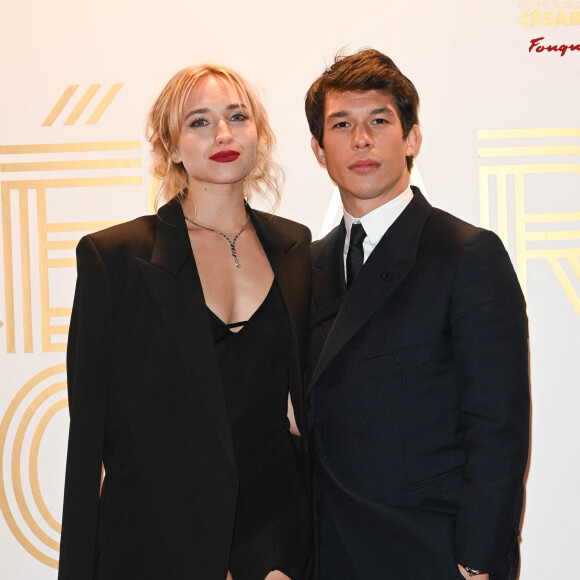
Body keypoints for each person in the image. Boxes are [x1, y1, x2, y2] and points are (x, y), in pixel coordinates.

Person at [58, 64, 313, 580]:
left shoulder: (297, 249)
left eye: (237, 116)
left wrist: (293, 553)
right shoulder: (116, 259)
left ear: (257, 135)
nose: (222, 134)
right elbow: (88, 441)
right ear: (170, 146)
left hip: (279, 548)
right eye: (199, 121)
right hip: (158, 549)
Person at [305, 49, 529, 580]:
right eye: (342, 124)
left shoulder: (466, 253)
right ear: (318, 149)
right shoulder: (305, 266)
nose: (362, 140)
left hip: (430, 555)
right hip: (326, 556)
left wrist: (479, 557)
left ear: (411, 138)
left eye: (379, 121)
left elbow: (497, 425)